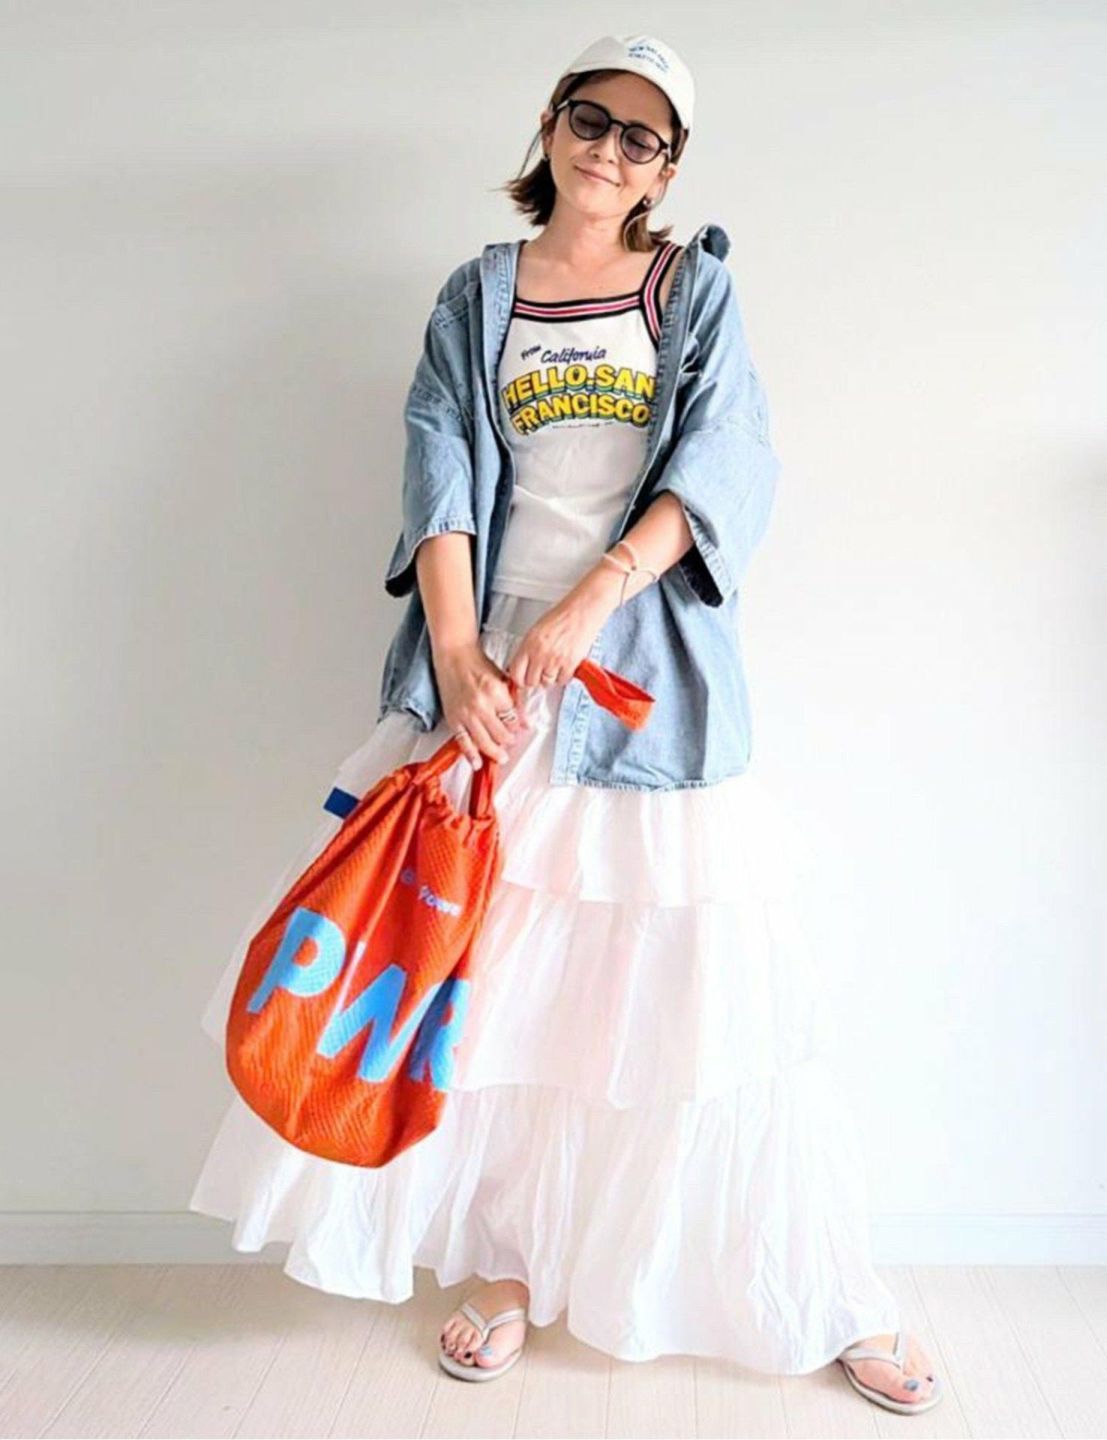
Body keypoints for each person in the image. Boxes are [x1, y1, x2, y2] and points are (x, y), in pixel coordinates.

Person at [189, 32, 943, 1414]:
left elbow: (728, 459)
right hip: (489, 690)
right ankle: (507, 1269)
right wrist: (461, 659)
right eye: (591, 119)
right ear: (550, 126)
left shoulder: (690, 291)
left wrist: (592, 602)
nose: (609, 149)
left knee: (697, 1009)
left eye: (643, 136)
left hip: (637, 688)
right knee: (485, 994)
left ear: (668, 169)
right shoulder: (479, 295)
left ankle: (825, 1286)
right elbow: (437, 466)